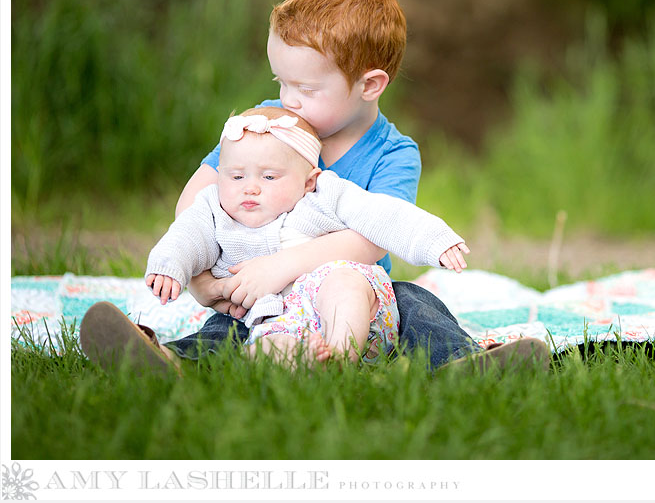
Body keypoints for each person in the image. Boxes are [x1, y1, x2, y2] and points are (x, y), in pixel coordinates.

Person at [82, 0, 548, 373]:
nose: (288, 99)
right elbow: (200, 195)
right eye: (280, 81)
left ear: (370, 84)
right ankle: (170, 360)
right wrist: (204, 278)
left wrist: (280, 266)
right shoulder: (268, 124)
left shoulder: (393, 153)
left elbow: (371, 238)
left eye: (304, 86)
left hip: (354, 296)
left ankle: (461, 364)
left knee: (417, 302)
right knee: (229, 323)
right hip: (261, 295)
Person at [141, 106, 468, 367]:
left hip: (352, 308)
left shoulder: (323, 197)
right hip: (270, 318)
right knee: (227, 332)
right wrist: (170, 267)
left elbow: (381, 214)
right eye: (236, 176)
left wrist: (434, 240)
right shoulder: (216, 208)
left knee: (410, 302)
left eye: (269, 176)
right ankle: (171, 360)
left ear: (309, 180)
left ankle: (457, 359)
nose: (250, 187)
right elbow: (187, 234)